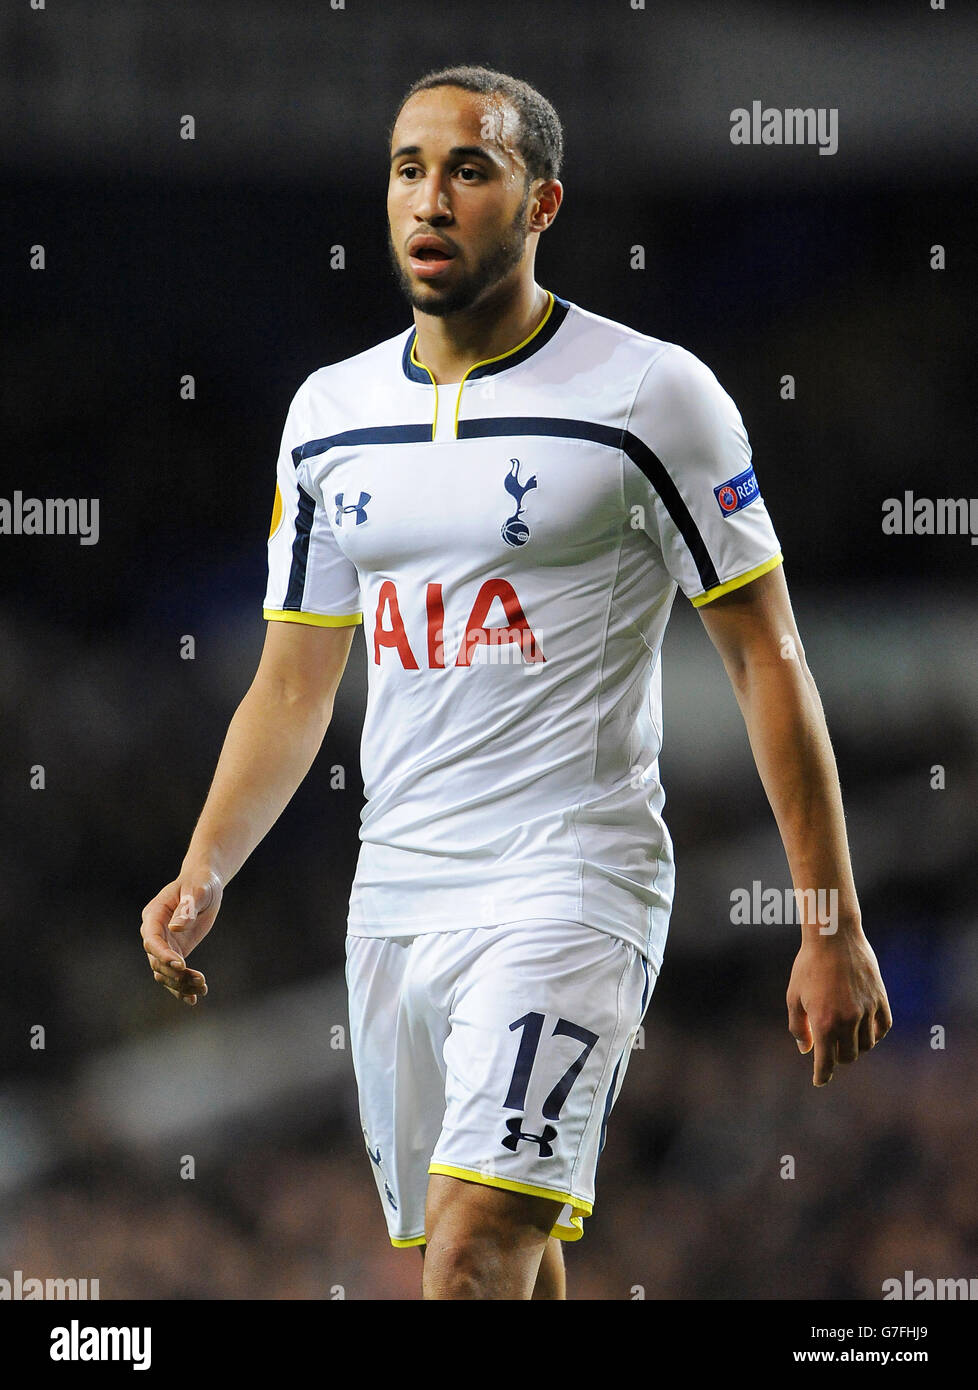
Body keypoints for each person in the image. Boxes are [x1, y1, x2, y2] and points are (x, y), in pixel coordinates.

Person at [140, 64, 892, 1301]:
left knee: (474, 1248)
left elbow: (767, 657)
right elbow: (291, 684)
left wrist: (831, 921)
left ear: (543, 205)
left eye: (469, 169)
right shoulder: (330, 415)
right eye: (407, 168)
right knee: (512, 1256)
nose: (430, 197)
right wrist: (207, 864)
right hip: (397, 893)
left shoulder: (653, 394)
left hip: (570, 876)